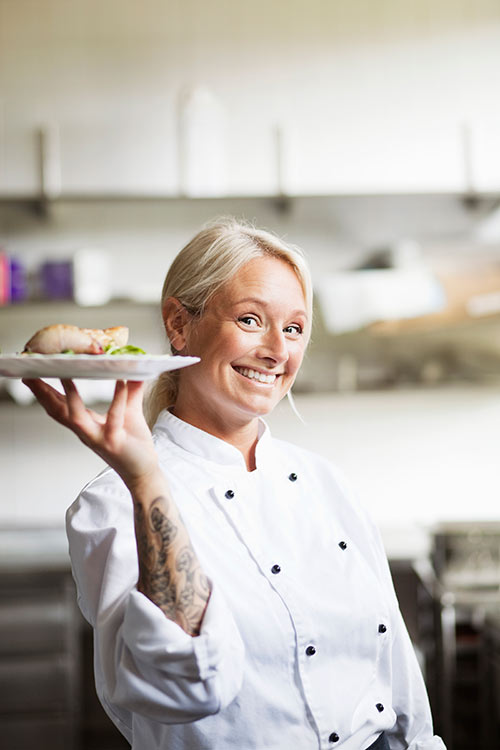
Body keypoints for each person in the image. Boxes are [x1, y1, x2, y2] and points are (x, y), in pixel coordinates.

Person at [24, 218, 446, 750]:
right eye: (251, 320)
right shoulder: (114, 501)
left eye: (294, 329)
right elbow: (184, 687)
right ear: (179, 324)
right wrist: (147, 475)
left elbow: (396, 674)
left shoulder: (324, 483)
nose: (277, 350)